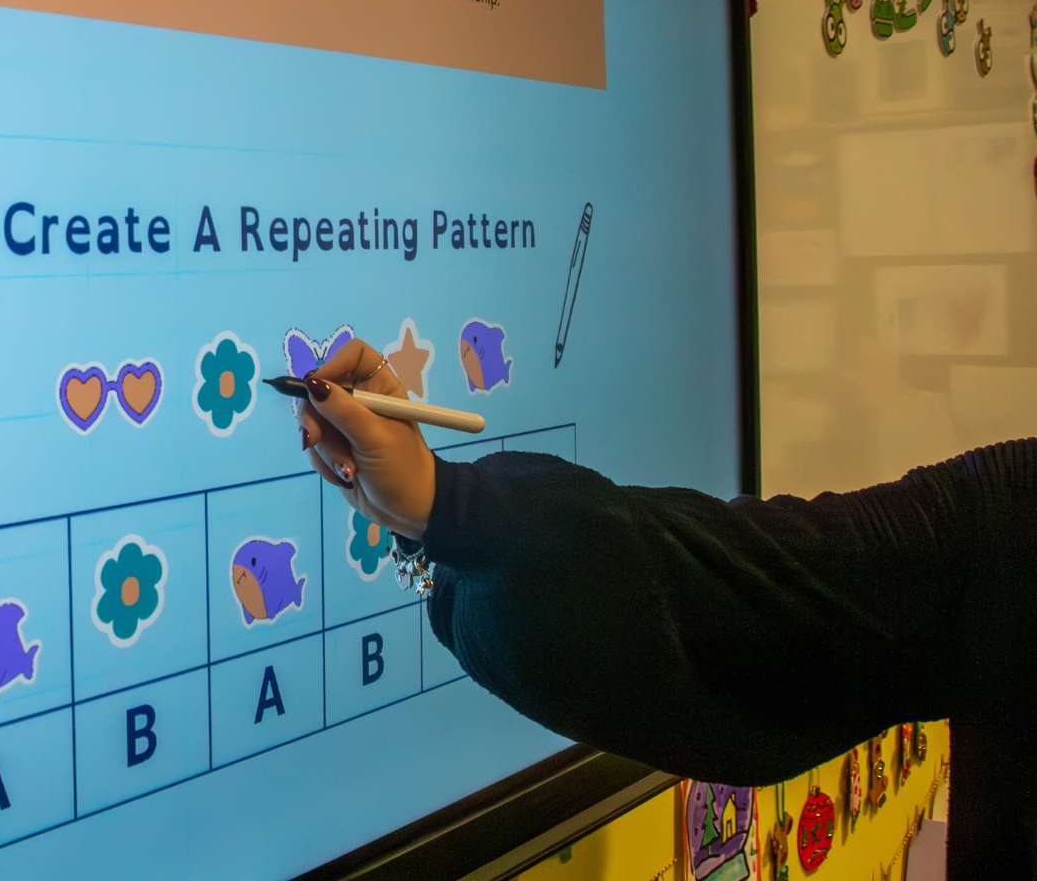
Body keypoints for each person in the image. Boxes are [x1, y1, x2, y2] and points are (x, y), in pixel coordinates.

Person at [291, 338, 1034, 875]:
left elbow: (717, 592)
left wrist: (449, 513)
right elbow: (732, 592)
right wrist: (442, 511)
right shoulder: (1009, 517)